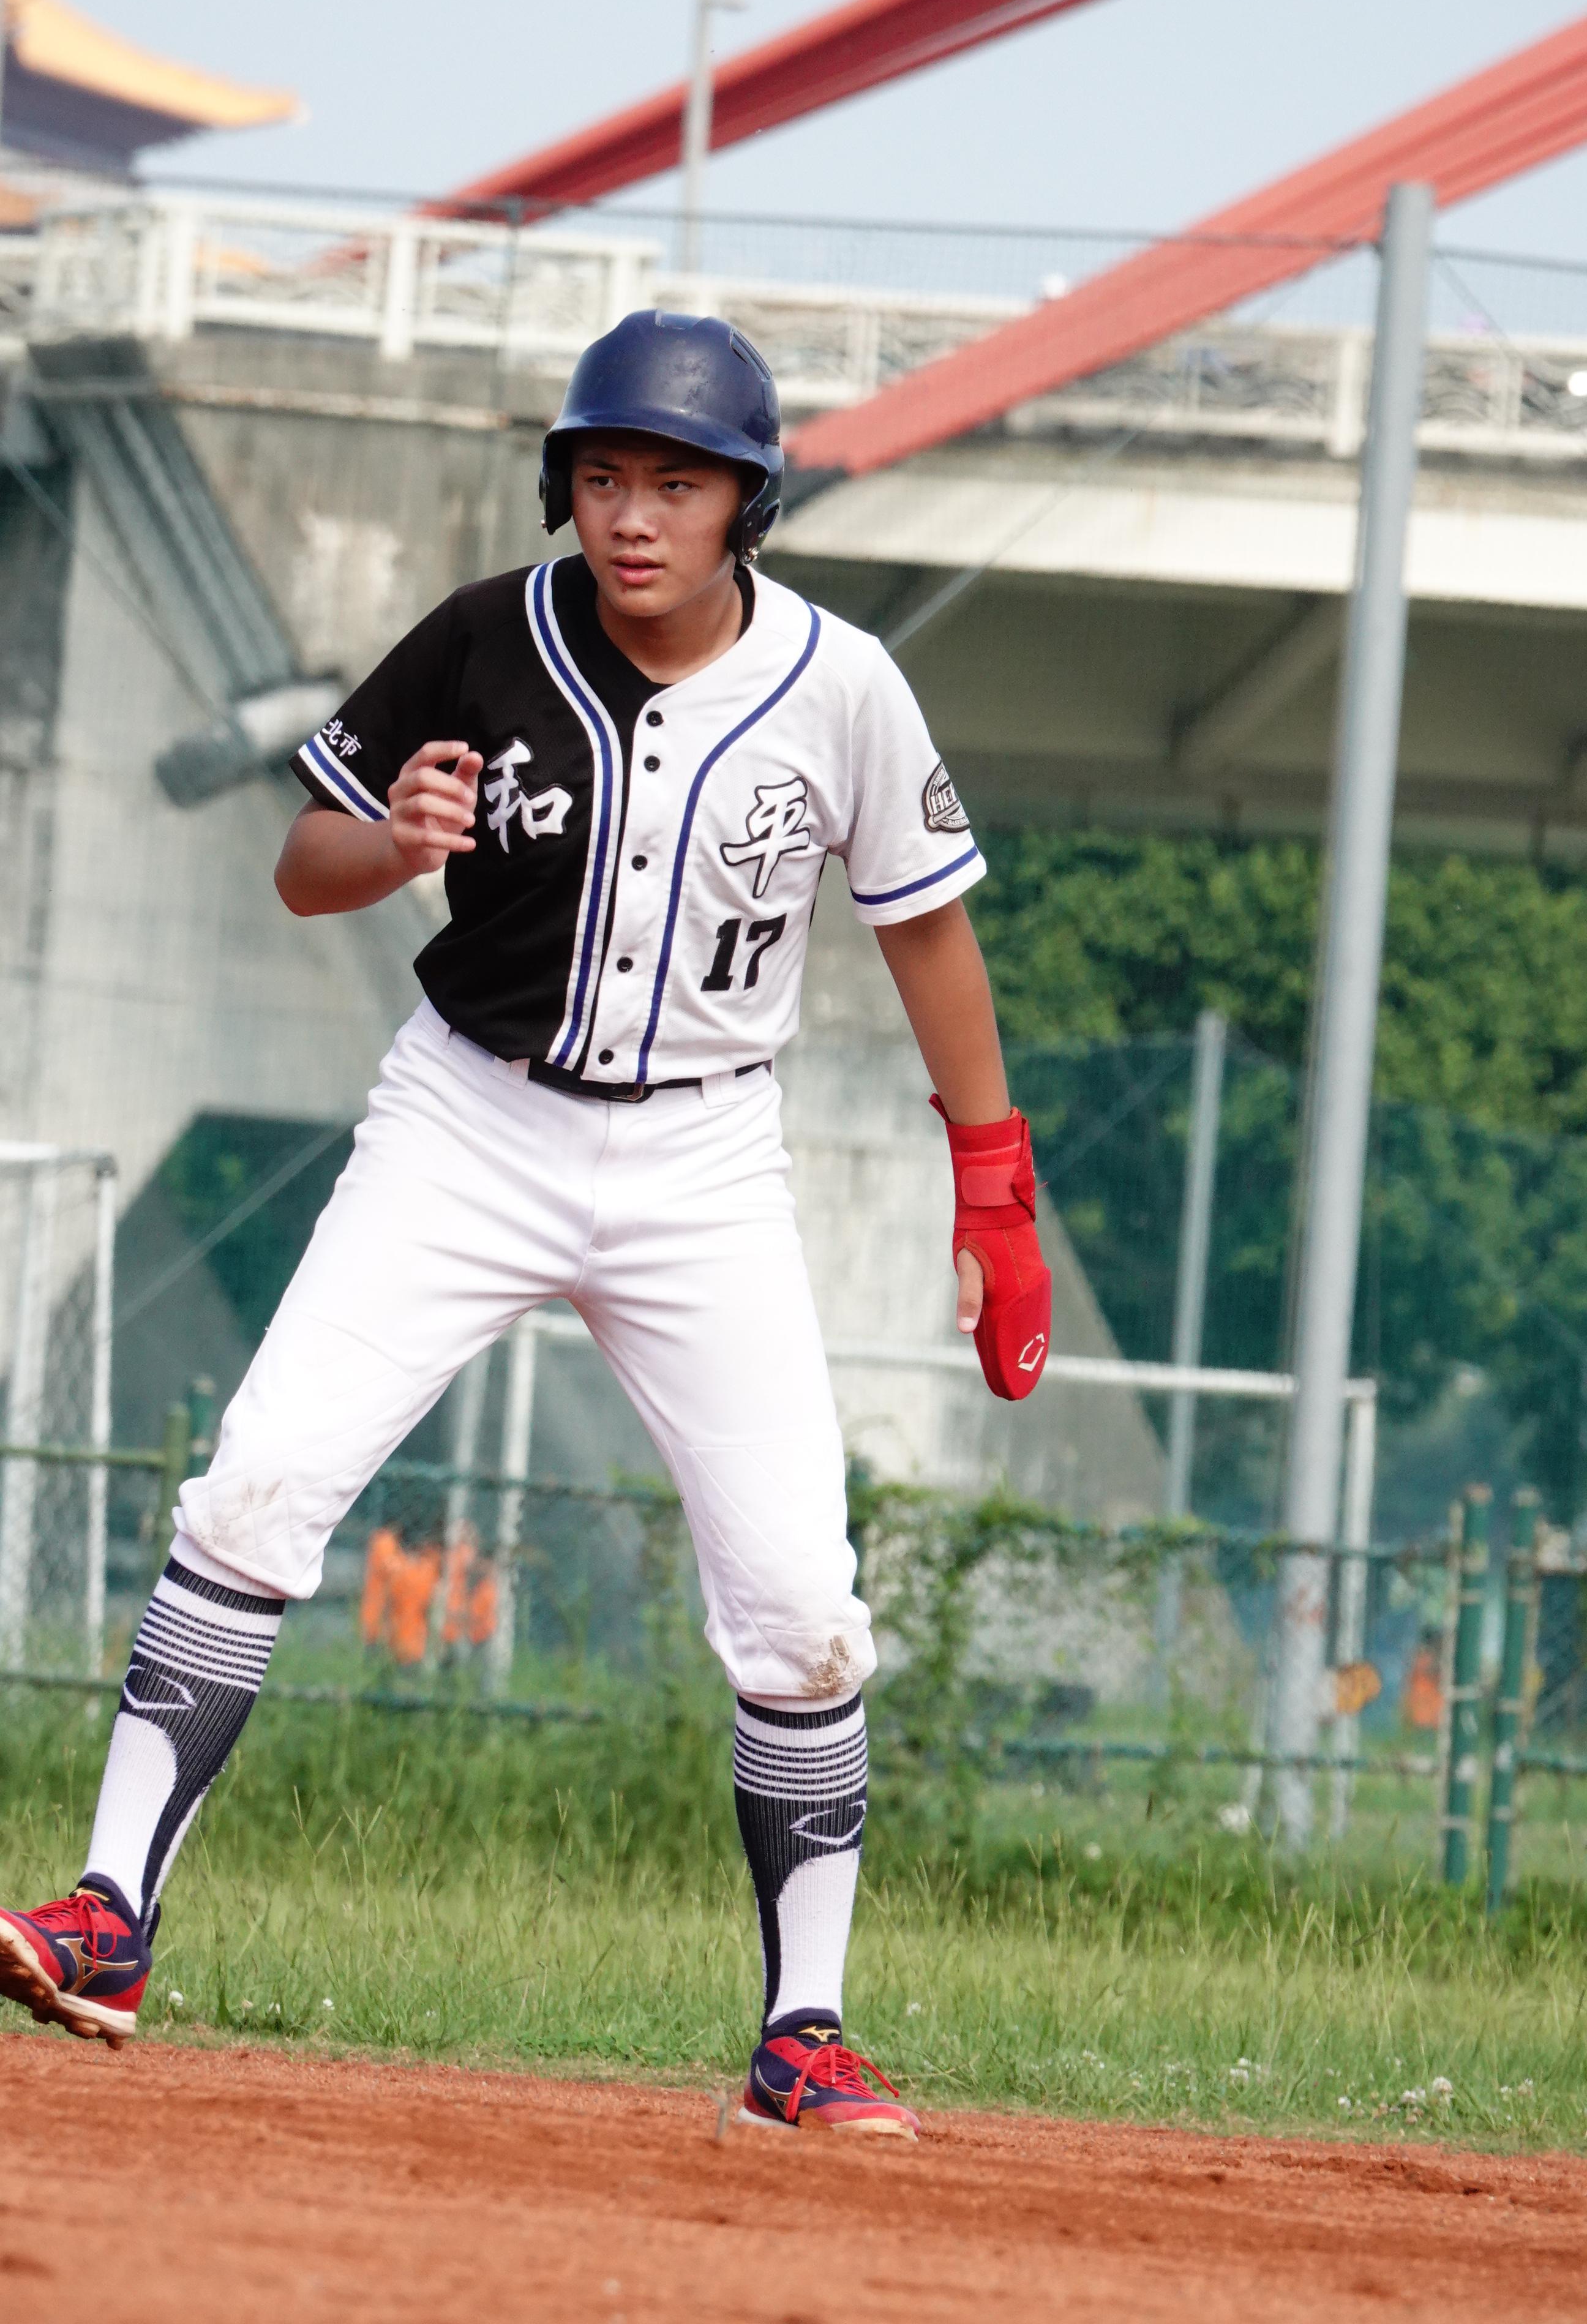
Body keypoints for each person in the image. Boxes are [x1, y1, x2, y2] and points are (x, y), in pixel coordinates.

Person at [0, 312, 1049, 2136]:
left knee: (800, 1604)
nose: (634, 515)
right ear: (565, 487)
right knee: (259, 1483)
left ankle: (802, 2036)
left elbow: (926, 931)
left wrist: (995, 1184)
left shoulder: (844, 687)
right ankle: (107, 1918)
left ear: (747, 505)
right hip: (469, 1123)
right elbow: (306, 866)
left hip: (704, 1164)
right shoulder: (487, 635)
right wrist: (393, 840)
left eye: (678, 483)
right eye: (603, 476)